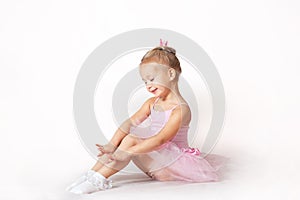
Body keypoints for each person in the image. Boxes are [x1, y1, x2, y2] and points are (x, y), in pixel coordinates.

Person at [66, 39, 224, 194]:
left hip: (175, 165)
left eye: (152, 79)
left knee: (131, 140)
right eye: (145, 81)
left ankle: (99, 178)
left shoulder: (181, 109)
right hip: (157, 161)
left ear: (170, 74)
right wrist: (111, 145)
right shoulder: (151, 103)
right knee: (129, 136)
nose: (148, 85)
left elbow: (160, 140)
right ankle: (92, 174)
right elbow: (129, 123)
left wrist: (128, 152)